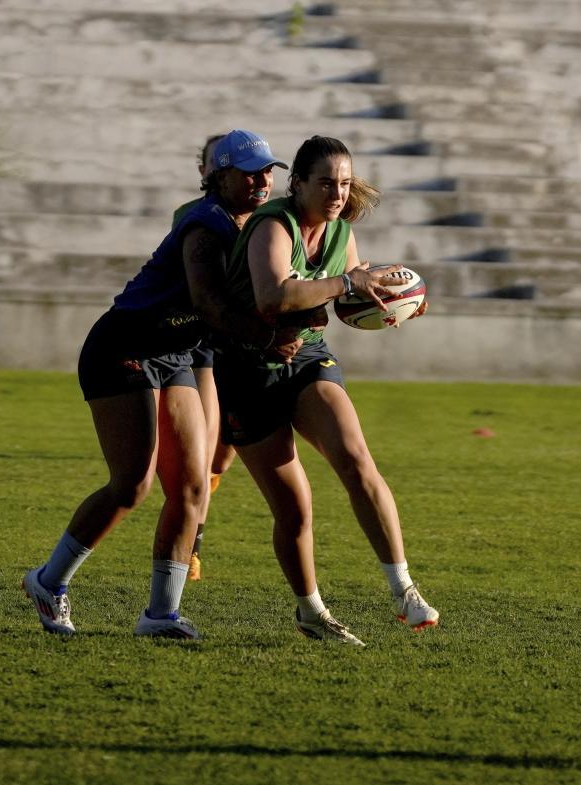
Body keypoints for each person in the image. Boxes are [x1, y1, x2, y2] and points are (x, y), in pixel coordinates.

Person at [22, 130, 290, 637]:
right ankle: (48, 580)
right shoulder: (206, 224)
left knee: (191, 486)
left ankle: (161, 614)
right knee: (132, 484)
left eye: (268, 171)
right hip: (123, 347)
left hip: (176, 352)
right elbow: (210, 304)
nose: (263, 180)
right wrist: (268, 336)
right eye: (250, 171)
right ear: (220, 177)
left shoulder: (252, 224)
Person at [215, 135, 439, 647]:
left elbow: (345, 302)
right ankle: (311, 611)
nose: (337, 193)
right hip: (245, 370)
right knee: (294, 508)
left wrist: (393, 302)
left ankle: (403, 588)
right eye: (325, 183)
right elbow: (276, 296)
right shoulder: (274, 226)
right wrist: (349, 283)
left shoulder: (341, 230)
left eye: (343, 182)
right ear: (298, 183)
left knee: (356, 459)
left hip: (307, 357)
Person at [172, 134, 240, 582]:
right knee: (209, 444)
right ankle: (192, 544)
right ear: (208, 172)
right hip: (204, 340)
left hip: (243, 340)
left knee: (225, 453)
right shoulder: (193, 217)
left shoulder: (266, 217)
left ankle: (195, 521)